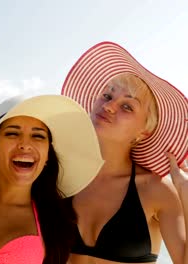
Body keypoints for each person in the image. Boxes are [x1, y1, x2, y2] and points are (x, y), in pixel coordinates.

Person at [0, 95, 105, 264]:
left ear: (47, 155)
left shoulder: (54, 222)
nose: (25, 144)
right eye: (12, 133)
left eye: (38, 136)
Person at [61, 41, 188, 263]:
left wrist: (186, 191)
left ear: (144, 132)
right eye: (108, 96)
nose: (109, 106)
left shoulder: (157, 190)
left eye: (127, 106)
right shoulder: (62, 177)